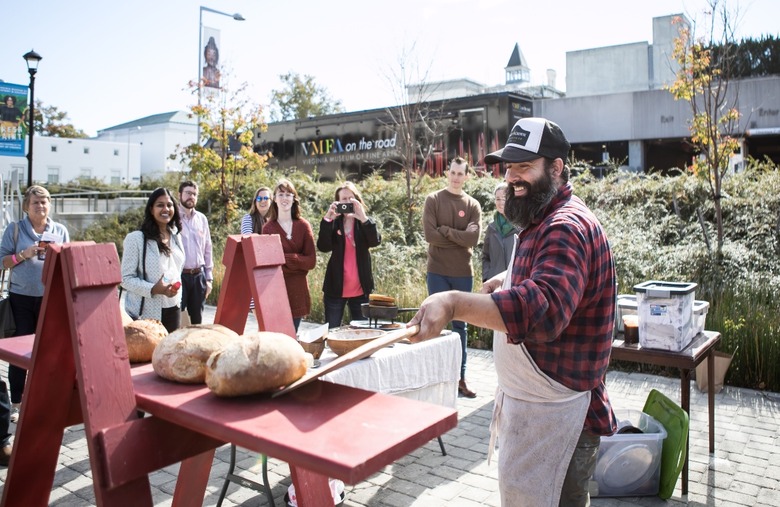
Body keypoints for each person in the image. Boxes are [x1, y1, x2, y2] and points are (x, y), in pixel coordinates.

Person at [409, 117, 617, 506]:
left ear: (556, 168)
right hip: (540, 414)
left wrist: (455, 302)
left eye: (524, 167)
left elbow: (545, 310)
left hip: (560, 422)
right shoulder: (543, 217)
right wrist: (509, 278)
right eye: (509, 167)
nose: (512, 177)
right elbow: (548, 271)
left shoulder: (565, 226)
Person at [0, 185, 70, 430]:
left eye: (45, 202)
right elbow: (2, 261)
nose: (41, 206)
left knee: (48, 350)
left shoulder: (60, 230)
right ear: (26, 207)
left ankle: (42, 401)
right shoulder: (16, 229)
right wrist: (24, 254)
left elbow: (69, 262)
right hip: (21, 299)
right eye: (36, 203)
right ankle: (17, 404)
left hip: (50, 298)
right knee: (21, 351)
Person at [422, 156, 482, 398]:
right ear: (447, 173)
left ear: (467, 176)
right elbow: (429, 235)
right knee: (434, 324)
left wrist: (444, 231)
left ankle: (460, 379)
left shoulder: (473, 205)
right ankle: (433, 379)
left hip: (462, 274)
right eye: (453, 173)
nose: (456, 177)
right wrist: (457, 234)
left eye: (461, 173)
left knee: (460, 329)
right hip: (437, 271)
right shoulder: (433, 200)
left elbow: (473, 240)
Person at [317, 182, 381, 328]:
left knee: (363, 332)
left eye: (350, 198)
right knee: (331, 331)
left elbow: (375, 241)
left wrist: (363, 218)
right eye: (343, 199)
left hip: (360, 289)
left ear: (357, 200)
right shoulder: (334, 222)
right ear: (337, 202)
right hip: (335, 288)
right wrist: (328, 219)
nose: (347, 202)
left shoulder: (364, 222)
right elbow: (323, 247)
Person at [121, 187, 185, 332]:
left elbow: (177, 270)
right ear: (151, 209)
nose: (166, 209)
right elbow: (125, 279)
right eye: (160, 205)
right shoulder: (136, 239)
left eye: (169, 205)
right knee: (148, 354)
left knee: (169, 353)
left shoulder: (176, 236)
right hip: (146, 313)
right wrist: (153, 289)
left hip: (174, 307)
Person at [262, 179, 316, 332]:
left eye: (288, 194)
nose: (284, 198)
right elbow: (270, 266)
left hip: (298, 291)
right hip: (276, 291)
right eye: (280, 194)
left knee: (292, 337)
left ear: (294, 199)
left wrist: (285, 259)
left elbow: (311, 262)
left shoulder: (304, 226)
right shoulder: (268, 229)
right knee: (277, 341)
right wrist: (298, 263)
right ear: (274, 198)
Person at [178, 181, 213, 325]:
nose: (191, 196)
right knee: (176, 318)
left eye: (194, 194)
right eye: (188, 193)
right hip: (179, 277)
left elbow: (208, 248)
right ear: (179, 195)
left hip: (198, 276)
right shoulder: (172, 219)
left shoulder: (202, 219)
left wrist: (209, 278)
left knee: (197, 321)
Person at [481, 182, 520, 282]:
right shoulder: (492, 228)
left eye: (504, 198)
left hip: (515, 282)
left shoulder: (521, 227)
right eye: (498, 199)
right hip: (494, 282)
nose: (501, 202)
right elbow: (486, 256)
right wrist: (486, 277)